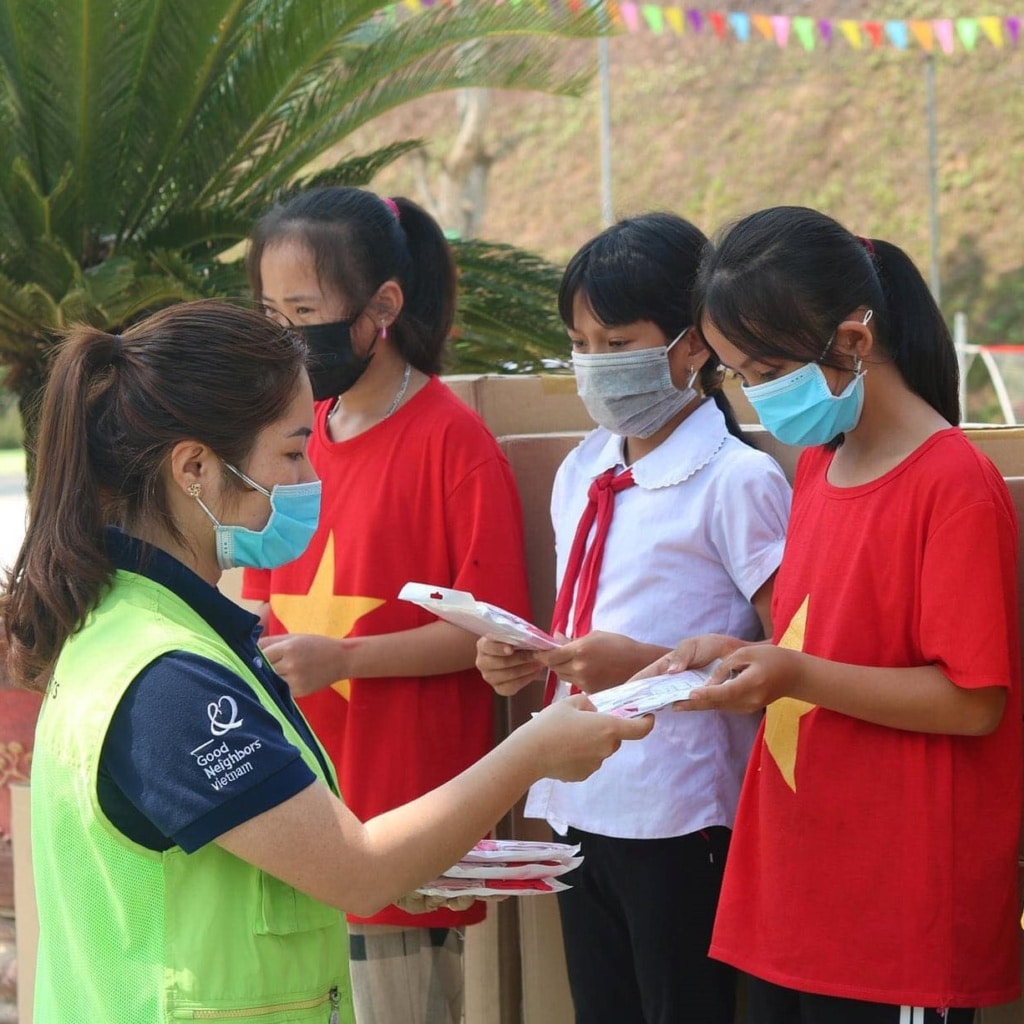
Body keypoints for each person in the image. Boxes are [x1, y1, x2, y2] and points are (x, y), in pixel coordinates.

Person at [0, 299, 653, 1024]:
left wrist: (406, 865)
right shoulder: (169, 677)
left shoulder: (134, 626)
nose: (310, 476)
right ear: (195, 469)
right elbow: (357, 871)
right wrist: (533, 751)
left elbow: (251, 861)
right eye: (290, 452)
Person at [645, 206, 1022, 1023]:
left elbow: (974, 700)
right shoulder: (820, 465)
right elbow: (825, 641)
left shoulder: (952, 484)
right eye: (742, 375)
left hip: (896, 918)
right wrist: (740, 653)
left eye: (769, 369)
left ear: (853, 340)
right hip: (798, 894)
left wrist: (794, 673)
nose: (758, 395)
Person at [476, 212, 792, 1024]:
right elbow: (581, 616)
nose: (594, 364)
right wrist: (530, 657)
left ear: (694, 348)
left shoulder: (738, 480)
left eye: (617, 343)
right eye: (579, 343)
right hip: (580, 794)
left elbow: (790, 656)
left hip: (680, 807)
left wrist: (638, 663)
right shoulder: (584, 467)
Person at [240, 186, 533, 1024]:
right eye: (271, 313)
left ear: (383, 308)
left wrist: (346, 659)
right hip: (300, 810)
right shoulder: (294, 434)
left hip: (406, 812)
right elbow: (260, 593)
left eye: (304, 312)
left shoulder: (453, 443)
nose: (287, 335)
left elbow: (491, 633)